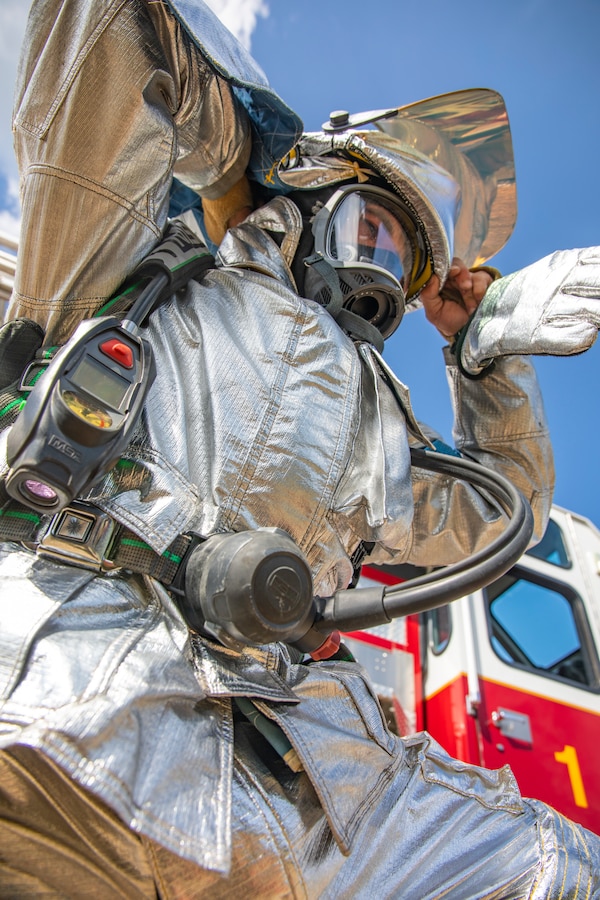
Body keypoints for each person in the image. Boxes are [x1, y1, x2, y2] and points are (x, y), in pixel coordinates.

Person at [1, 1, 599, 896]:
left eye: (401, 263)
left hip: (293, 784)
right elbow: (111, 31)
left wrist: (488, 358)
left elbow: (498, 517)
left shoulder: (382, 433)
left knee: (551, 869)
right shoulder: (135, 266)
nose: (378, 274)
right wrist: (239, 152)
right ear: (306, 202)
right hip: (58, 689)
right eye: (370, 229)